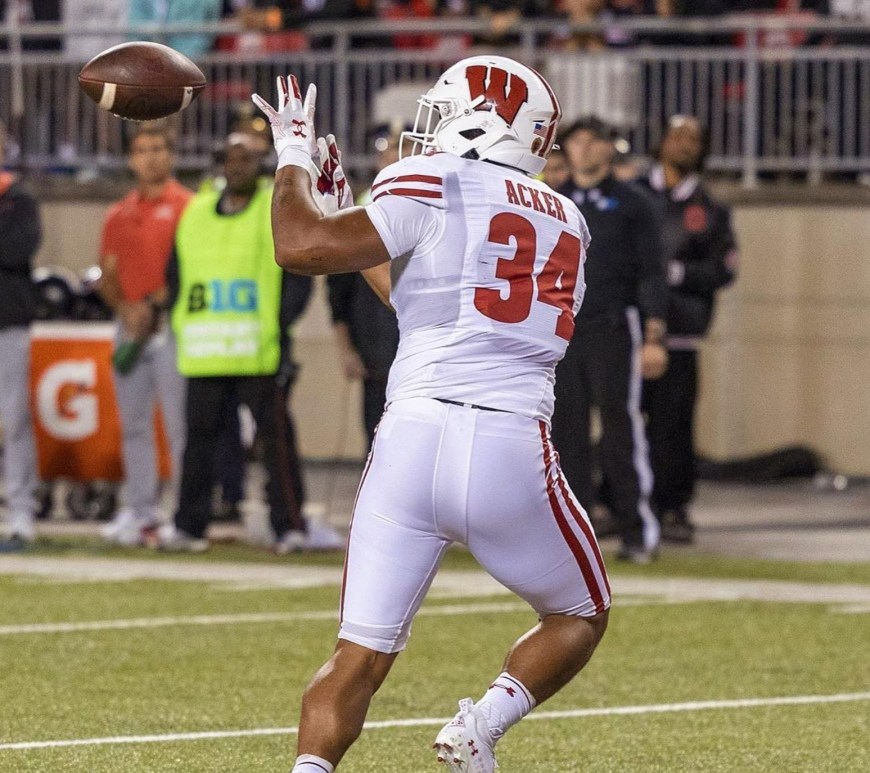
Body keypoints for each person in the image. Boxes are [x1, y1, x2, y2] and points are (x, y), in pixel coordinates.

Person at [253, 55, 610, 773]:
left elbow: (299, 246)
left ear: (480, 122)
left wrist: (291, 156)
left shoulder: (429, 178)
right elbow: (424, 296)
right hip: (510, 446)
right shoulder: (568, 218)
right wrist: (345, 202)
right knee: (580, 612)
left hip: (411, 441)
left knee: (357, 657)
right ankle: (480, 725)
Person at [159, 132, 336, 553]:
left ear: (260, 164)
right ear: (219, 163)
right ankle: (188, 526)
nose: (237, 166)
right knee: (199, 444)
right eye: (230, 158)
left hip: (260, 350)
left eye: (246, 158)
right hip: (206, 352)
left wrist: (280, 322)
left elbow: (298, 273)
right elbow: (176, 275)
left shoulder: (273, 209)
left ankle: (289, 526)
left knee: (276, 445)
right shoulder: (196, 213)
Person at [552, 115, 668, 564]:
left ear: (607, 148)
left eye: (591, 141)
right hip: (565, 332)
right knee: (566, 434)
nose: (582, 149)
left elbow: (652, 271)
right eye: (575, 141)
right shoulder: (555, 201)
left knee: (621, 430)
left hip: (614, 327)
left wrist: (654, 332)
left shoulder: (634, 203)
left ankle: (638, 530)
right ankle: (576, 537)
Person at [638, 115, 737, 543]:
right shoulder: (634, 195)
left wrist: (676, 273)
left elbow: (723, 269)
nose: (684, 144)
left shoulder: (711, 209)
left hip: (679, 333)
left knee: (673, 425)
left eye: (693, 138)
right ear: (661, 141)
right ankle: (615, 502)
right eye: (677, 136)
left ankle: (673, 506)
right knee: (621, 421)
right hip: (628, 330)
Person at [98, 121, 191, 547]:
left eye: (158, 148)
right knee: (134, 425)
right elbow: (108, 273)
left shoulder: (188, 207)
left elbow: (189, 269)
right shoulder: (118, 213)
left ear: (171, 155)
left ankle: (181, 513)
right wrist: (126, 309)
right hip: (130, 327)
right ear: (131, 160)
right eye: (143, 150)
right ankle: (141, 512)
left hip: (171, 326)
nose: (151, 157)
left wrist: (153, 307)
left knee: (178, 426)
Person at [326, 124, 401, 446]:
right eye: (388, 149)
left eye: (401, 148)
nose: (394, 156)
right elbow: (338, 292)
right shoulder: (361, 208)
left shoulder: (436, 206)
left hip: (420, 352)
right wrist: (345, 349)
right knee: (377, 439)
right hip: (376, 354)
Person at [0, 119, 41, 551]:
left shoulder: (19, 199)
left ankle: (21, 512)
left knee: (13, 421)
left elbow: (18, 249)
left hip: (7, 321)